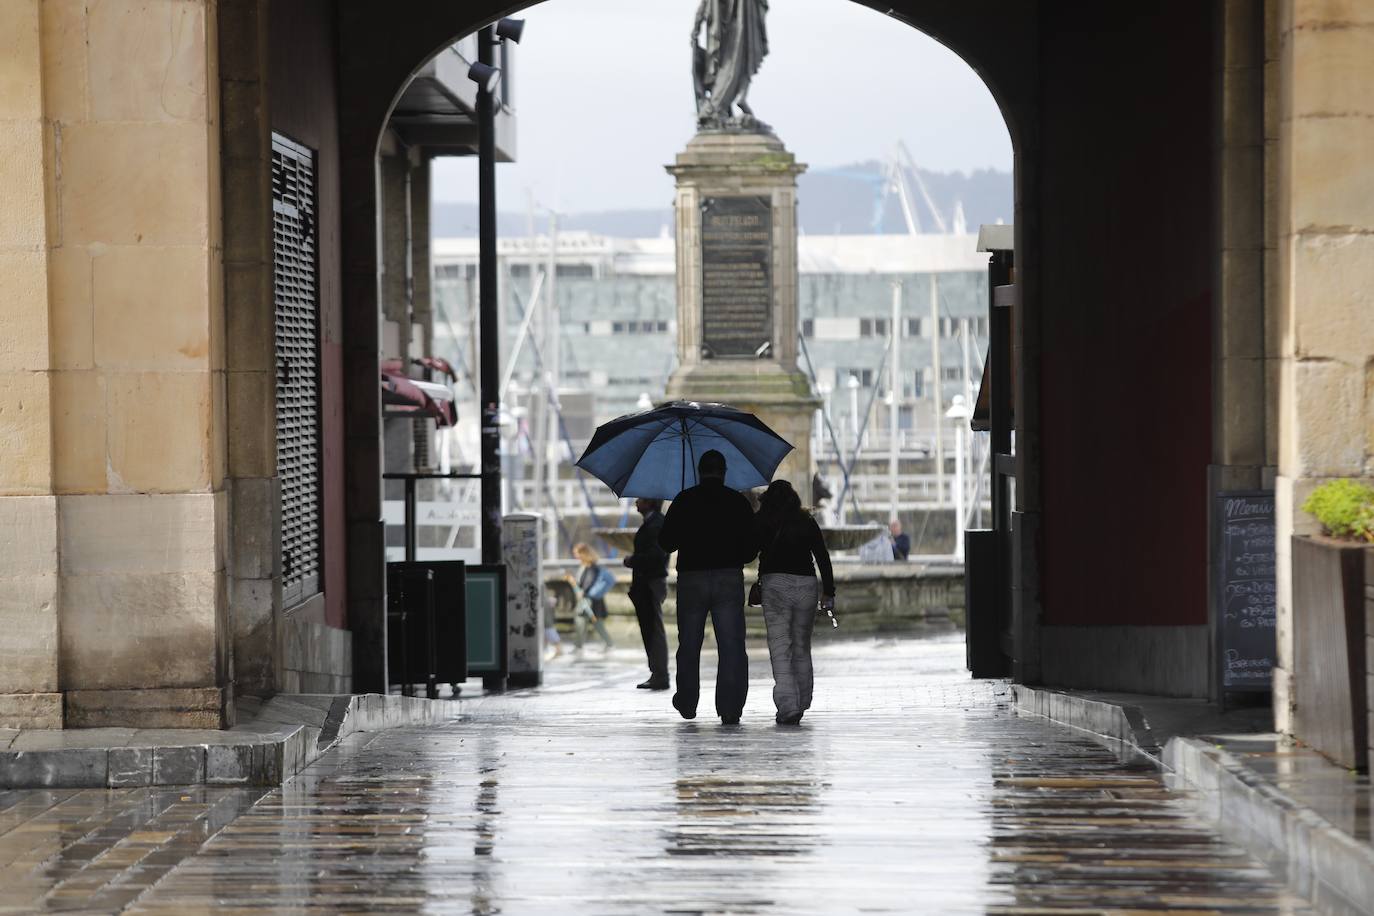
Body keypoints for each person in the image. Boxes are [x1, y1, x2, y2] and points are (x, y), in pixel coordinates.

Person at [658, 450, 758, 724]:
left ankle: (688, 701)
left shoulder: (684, 500)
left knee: (689, 643)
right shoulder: (737, 502)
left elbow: (666, 543)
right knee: (732, 645)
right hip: (728, 577)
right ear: (724, 472)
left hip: (692, 579)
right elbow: (751, 550)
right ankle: (729, 707)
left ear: (699, 472)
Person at [755, 480, 835, 725]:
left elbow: (747, 552)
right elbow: (822, 557)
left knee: (780, 646)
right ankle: (803, 699)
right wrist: (829, 592)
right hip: (806, 585)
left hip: (775, 584)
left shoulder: (763, 521)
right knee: (801, 644)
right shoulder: (806, 521)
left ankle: (788, 705)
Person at [624, 497, 670, 690]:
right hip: (647, 583)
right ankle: (657, 672)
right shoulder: (654, 522)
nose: (636, 502)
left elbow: (656, 556)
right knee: (651, 629)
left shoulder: (656, 524)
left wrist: (632, 560)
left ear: (650, 502)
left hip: (650, 583)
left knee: (653, 630)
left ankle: (660, 673)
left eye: (640, 499)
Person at [566, 543, 615, 652]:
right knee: (586, 622)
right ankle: (579, 646)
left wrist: (576, 585)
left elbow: (588, 583)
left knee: (592, 622)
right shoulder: (585, 566)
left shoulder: (591, 567)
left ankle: (608, 644)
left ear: (583, 553)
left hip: (590, 601)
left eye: (577, 553)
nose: (575, 556)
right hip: (588, 600)